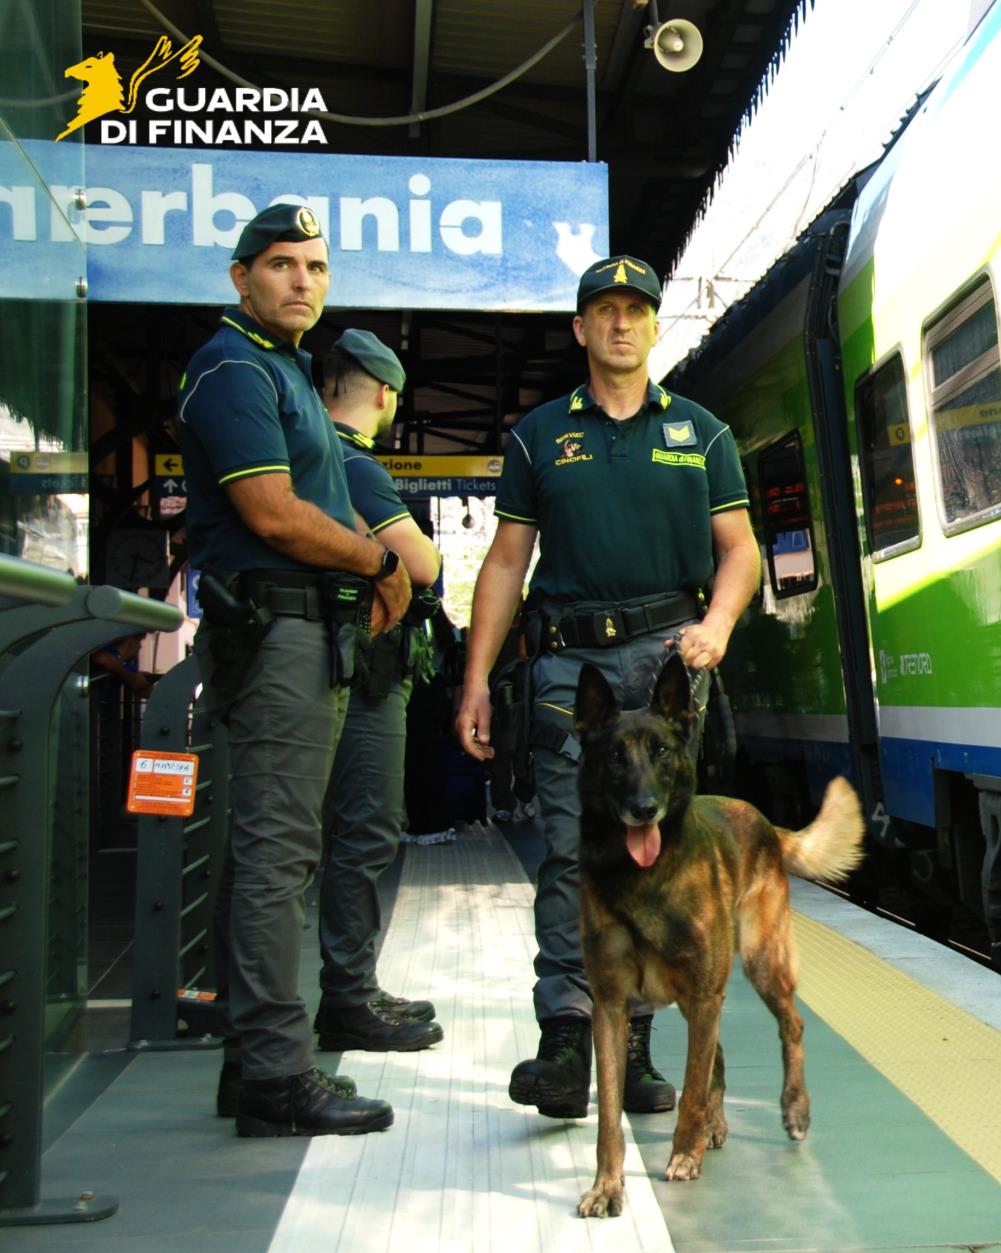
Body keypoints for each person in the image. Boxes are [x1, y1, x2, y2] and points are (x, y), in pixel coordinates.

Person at [454, 256, 759, 1119]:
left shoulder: (702, 433)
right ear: (580, 329)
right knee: (568, 854)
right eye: (604, 311)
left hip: (669, 669)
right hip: (571, 675)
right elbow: (507, 561)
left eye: (637, 310)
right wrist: (477, 677)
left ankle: (636, 1045)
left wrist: (721, 624)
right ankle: (564, 1043)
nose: (621, 324)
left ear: (655, 326)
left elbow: (738, 550)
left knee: (663, 862)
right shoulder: (540, 435)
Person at [179, 203, 409, 1137]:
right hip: (273, 632)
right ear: (242, 277)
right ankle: (275, 1073)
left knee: (280, 849)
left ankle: (254, 1063)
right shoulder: (232, 365)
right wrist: (379, 563)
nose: (301, 281)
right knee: (279, 854)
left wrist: (367, 568)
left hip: (304, 633)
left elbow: (314, 498)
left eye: (315, 266)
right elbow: (272, 513)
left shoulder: (283, 371)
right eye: (280, 265)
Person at [313, 329, 445, 1053]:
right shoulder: (353, 463)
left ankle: (351, 986)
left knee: (339, 833)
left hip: (340, 664)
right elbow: (420, 563)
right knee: (365, 829)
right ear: (385, 394)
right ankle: (348, 996)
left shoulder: (310, 454)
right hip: (364, 676)